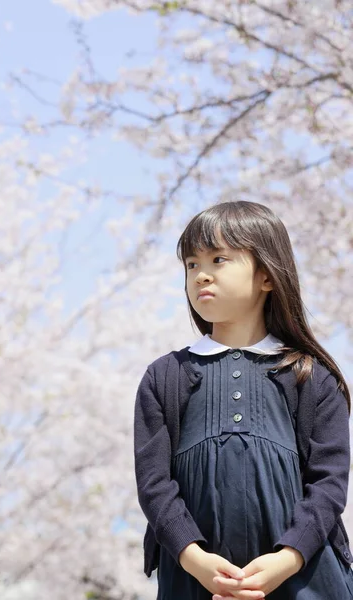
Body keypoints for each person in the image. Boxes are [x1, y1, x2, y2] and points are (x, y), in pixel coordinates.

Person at [133, 201, 353, 599]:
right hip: (195, 582)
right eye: (191, 265)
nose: (201, 275)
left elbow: (329, 484)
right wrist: (195, 560)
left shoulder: (311, 377)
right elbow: (154, 486)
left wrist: (286, 560)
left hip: (304, 577)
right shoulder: (165, 377)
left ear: (267, 276)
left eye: (218, 259)